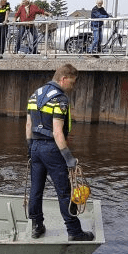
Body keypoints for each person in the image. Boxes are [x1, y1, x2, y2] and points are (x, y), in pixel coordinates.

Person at [26, 64, 94, 241]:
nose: (73, 86)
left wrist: (30, 148)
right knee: (64, 191)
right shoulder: (60, 99)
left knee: (36, 189)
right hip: (52, 149)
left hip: (35, 147)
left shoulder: (35, 95)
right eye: (73, 82)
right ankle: (74, 232)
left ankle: (37, 227)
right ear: (63, 79)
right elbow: (57, 132)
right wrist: (69, 158)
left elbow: (28, 126)